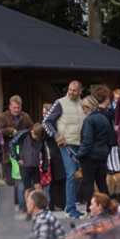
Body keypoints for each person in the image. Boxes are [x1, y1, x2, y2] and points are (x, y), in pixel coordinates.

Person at [43, 81, 89, 216]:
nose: (71, 92)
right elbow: (46, 121)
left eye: (75, 90)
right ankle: (70, 209)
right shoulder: (60, 103)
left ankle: (73, 204)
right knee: (71, 175)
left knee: (80, 176)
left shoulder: (83, 104)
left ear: (80, 91)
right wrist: (56, 135)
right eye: (70, 89)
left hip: (81, 144)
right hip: (66, 144)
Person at [77, 96, 114, 206]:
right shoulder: (104, 118)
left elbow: (87, 141)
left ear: (87, 107)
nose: (83, 111)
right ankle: (107, 206)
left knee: (88, 183)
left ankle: (90, 208)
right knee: (102, 183)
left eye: (83, 108)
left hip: (89, 157)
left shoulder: (89, 120)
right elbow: (111, 139)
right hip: (102, 155)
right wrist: (106, 151)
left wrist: (79, 154)